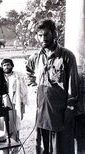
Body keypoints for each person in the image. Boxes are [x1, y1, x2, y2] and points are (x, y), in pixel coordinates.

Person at [25, 19, 79, 154]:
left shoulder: (67, 56)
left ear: (54, 34)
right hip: (42, 111)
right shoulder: (36, 56)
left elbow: (73, 85)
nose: (43, 38)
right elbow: (28, 72)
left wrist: (70, 108)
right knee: (44, 148)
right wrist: (33, 87)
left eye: (46, 34)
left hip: (60, 111)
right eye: (40, 35)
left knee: (62, 148)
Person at [0, 58, 28, 154]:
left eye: (8, 65)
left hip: (14, 106)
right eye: (4, 65)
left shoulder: (18, 77)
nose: (6, 67)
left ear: (12, 66)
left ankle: (14, 150)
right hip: (1, 107)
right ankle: (4, 151)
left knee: (14, 128)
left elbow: (23, 94)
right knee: (2, 129)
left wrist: (22, 108)